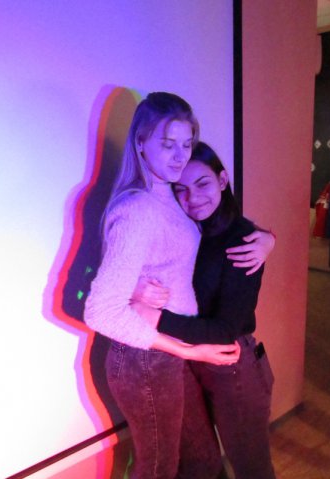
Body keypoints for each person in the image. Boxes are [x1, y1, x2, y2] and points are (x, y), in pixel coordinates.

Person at [83, 92, 274, 478]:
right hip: (146, 357)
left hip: (177, 353)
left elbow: (205, 235)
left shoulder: (172, 192)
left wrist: (268, 238)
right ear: (141, 142)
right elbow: (100, 309)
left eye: (186, 144)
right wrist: (185, 347)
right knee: (160, 469)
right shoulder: (136, 209)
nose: (179, 156)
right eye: (168, 144)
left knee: (203, 461)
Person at [132, 142, 276, 478]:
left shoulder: (243, 240)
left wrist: (157, 319)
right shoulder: (191, 229)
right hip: (192, 361)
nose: (193, 198)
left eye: (202, 184)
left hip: (231, 365)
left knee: (252, 469)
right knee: (202, 461)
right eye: (181, 189)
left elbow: (225, 330)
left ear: (223, 180)